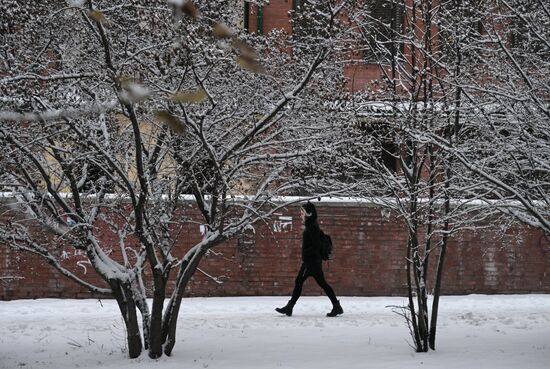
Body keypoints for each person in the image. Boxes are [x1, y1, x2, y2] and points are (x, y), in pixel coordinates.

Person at [275, 202, 343, 317]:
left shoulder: (312, 227)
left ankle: (289, 307)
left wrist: (306, 252)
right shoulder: (311, 225)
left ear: (308, 214)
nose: (300, 215)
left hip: (311, 262)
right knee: (321, 283)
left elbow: (316, 245)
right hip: (312, 261)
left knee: (300, 282)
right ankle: (336, 306)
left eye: (302, 212)